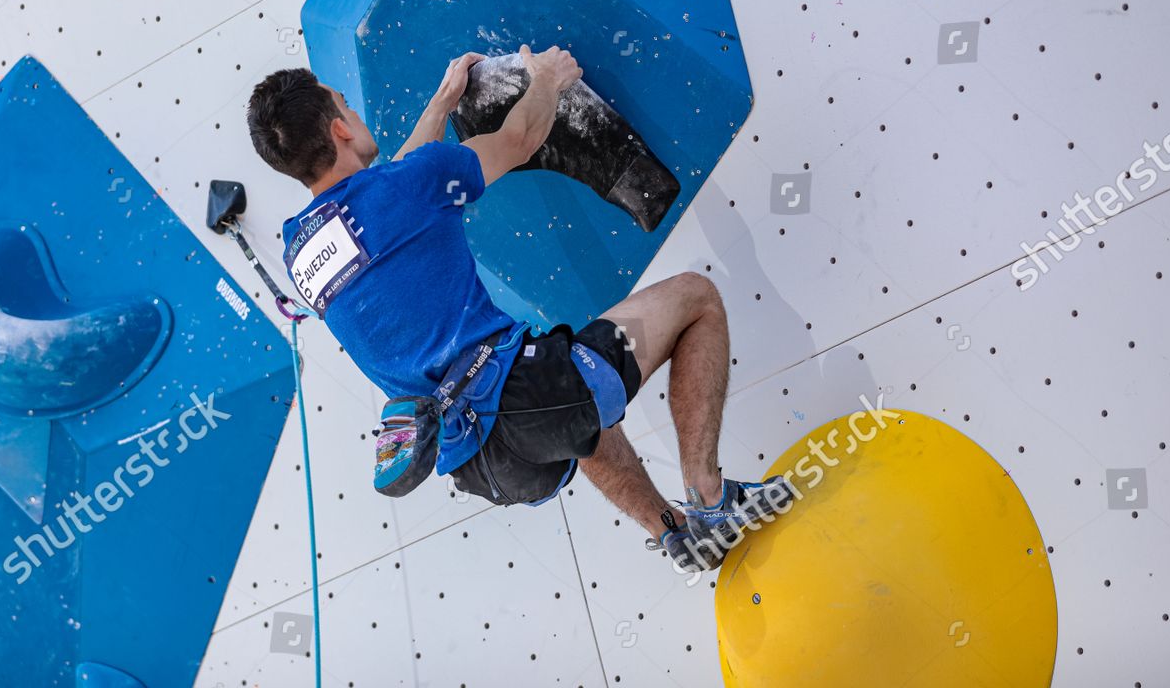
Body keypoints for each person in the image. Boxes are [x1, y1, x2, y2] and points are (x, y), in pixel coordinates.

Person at [246, 45, 788, 571]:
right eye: (345, 104)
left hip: (482, 467)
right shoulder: (412, 184)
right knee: (696, 297)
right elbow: (520, 138)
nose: (354, 111)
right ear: (339, 128)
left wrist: (442, 103)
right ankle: (712, 503)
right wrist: (548, 78)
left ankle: (673, 535)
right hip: (524, 397)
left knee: (581, 409)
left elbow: (394, 191)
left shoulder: (303, 254)